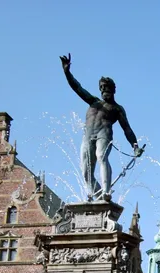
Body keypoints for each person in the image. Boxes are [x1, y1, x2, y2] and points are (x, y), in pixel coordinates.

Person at [60, 54, 142, 200]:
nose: (104, 90)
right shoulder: (93, 101)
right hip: (87, 136)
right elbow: (77, 87)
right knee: (86, 171)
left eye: (107, 87)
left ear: (113, 90)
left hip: (103, 134)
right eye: (102, 87)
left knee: (101, 157)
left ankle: (106, 191)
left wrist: (135, 146)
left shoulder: (117, 109)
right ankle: (98, 196)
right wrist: (67, 72)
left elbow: (127, 129)